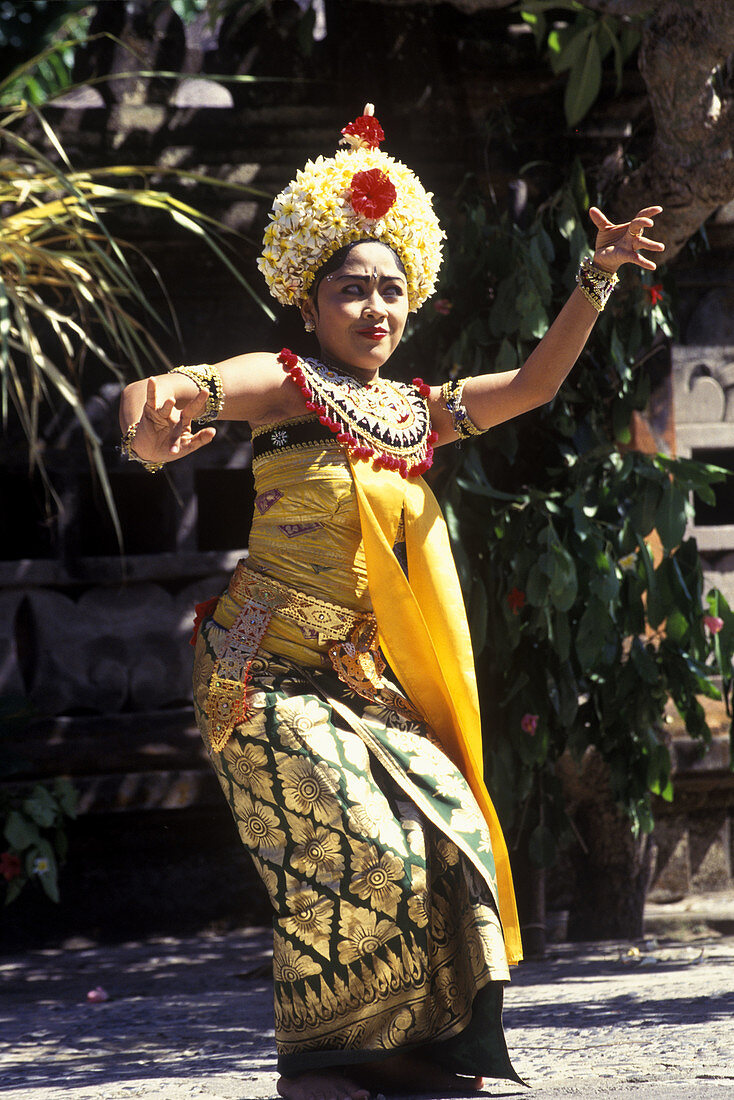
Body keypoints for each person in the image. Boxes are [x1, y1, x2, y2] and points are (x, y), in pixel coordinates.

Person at [118, 106, 663, 1100]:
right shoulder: (287, 386)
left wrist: (596, 277)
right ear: (310, 302)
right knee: (356, 840)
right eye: (350, 289)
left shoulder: (418, 410)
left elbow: (535, 384)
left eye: (389, 289)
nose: (373, 307)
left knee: (442, 832)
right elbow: (182, 387)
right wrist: (153, 423)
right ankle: (318, 1058)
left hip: (354, 683)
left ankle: (405, 1050)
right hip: (259, 674)